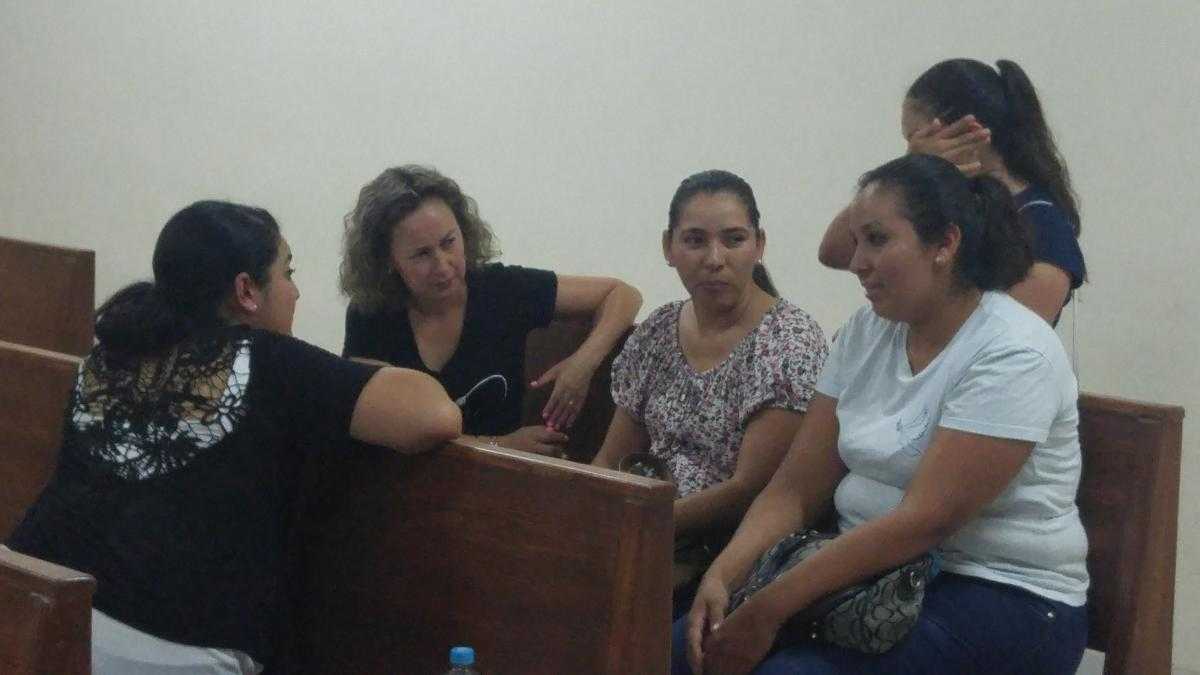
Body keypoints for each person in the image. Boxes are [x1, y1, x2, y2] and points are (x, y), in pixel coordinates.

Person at [5, 201, 462, 674]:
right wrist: (354, 370)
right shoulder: (267, 359)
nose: (296, 292)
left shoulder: (114, 351)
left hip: (28, 599)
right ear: (246, 291)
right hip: (169, 647)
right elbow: (434, 416)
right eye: (287, 273)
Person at [674, 154, 1089, 675]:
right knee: (681, 647)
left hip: (998, 591)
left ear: (945, 244)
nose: (856, 261)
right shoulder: (866, 331)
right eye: (856, 242)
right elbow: (794, 489)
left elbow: (923, 522)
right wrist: (724, 576)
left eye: (876, 240)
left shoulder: (1013, 350)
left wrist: (769, 607)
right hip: (868, 576)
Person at [591, 169, 827, 617]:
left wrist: (643, 521)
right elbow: (610, 460)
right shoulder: (658, 330)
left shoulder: (789, 339)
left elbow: (749, 488)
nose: (715, 258)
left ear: (759, 245)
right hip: (642, 532)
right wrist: (588, 514)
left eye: (734, 240)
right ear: (669, 247)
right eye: (695, 241)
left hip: (728, 554)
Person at [340, 165, 642, 455]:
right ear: (388, 260)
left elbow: (622, 294)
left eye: (448, 242)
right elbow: (379, 426)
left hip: (498, 480)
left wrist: (581, 364)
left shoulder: (500, 289)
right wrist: (499, 446)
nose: (443, 265)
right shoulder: (371, 313)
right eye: (422, 254)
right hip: (406, 476)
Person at [819, 58, 1086, 325]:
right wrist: (911, 168)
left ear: (969, 131)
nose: (914, 151)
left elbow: (1012, 330)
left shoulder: (1045, 226)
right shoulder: (948, 203)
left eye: (916, 138)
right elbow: (834, 251)